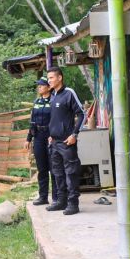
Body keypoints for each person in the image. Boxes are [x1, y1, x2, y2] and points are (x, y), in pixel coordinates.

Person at [45, 66, 85, 215]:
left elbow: (82, 114)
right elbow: (55, 118)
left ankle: (73, 204)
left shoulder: (69, 93)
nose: (49, 81)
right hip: (54, 142)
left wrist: (74, 134)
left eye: (51, 78)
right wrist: (51, 134)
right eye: (48, 78)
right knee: (57, 173)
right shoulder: (53, 95)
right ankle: (61, 201)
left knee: (71, 173)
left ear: (60, 78)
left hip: (67, 142)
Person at [25, 76, 56, 206]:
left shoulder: (54, 100)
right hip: (38, 137)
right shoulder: (37, 101)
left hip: (51, 137)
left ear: (48, 87)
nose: (39, 87)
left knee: (54, 168)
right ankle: (43, 197)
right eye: (38, 86)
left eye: (41, 85)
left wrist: (54, 134)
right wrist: (28, 139)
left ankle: (56, 198)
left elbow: (57, 120)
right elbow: (32, 121)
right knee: (41, 168)